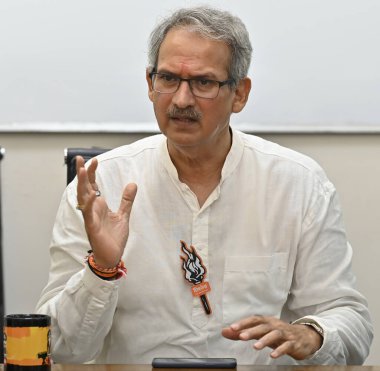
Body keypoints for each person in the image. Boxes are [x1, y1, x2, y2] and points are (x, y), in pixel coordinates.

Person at [36, 5, 373, 365]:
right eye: (168, 79)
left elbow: (351, 320)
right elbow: (60, 346)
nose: (181, 100)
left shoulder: (298, 184)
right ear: (150, 84)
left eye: (203, 83)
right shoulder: (101, 186)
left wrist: (312, 333)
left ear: (240, 93)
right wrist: (101, 269)